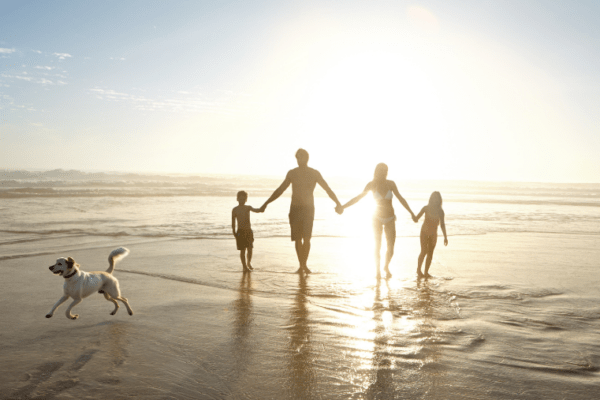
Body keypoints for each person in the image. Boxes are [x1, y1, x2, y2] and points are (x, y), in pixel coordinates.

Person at [260, 148, 343, 274]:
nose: (299, 160)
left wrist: (338, 203)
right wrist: (266, 203)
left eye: (302, 157)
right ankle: (301, 265)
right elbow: (280, 189)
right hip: (295, 209)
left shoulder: (314, 173)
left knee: (307, 239)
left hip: (308, 209)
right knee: (298, 239)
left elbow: (327, 189)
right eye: (298, 157)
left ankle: (304, 265)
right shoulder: (292, 173)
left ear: (307, 158)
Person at [339, 163, 415, 279]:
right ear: (377, 172)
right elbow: (358, 198)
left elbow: (401, 199)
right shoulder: (371, 184)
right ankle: (378, 271)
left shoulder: (391, 184)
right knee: (377, 246)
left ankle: (386, 266)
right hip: (376, 219)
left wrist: (412, 213)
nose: (384, 173)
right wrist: (343, 207)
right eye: (381, 171)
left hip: (390, 218)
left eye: (385, 171)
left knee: (391, 248)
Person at [413, 191, 448, 278]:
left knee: (430, 253)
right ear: (431, 198)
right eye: (433, 197)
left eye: (437, 198)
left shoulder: (440, 211)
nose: (435, 199)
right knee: (424, 251)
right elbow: (416, 218)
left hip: (433, 234)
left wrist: (445, 237)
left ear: (439, 200)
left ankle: (426, 272)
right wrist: (414, 217)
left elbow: (442, 225)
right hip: (424, 232)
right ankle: (418, 270)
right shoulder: (426, 208)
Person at [232, 191, 262, 272]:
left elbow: (256, 210)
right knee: (242, 250)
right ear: (237, 199)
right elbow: (233, 222)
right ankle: (244, 266)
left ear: (246, 199)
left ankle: (249, 262)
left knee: (250, 248)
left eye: (244, 199)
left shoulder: (248, 207)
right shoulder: (235, 209)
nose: (242, 201)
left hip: (248, 231)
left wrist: (262, 208)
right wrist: (234, 232)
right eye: (240, 199)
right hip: (240, 231)